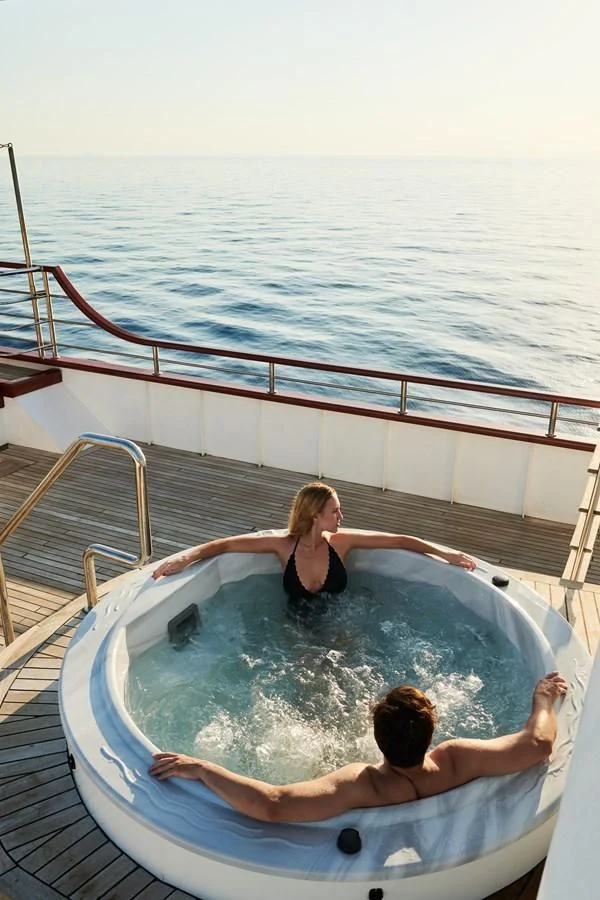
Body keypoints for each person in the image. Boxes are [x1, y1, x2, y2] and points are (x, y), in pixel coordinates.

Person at [149, 672, 567, 823]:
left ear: (376, 738)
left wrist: (203, 767)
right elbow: (538, 743)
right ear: (432, 730)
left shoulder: (362, 783)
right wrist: (542, 701)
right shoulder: (457, 760)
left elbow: (273, 804)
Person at [152, 481, 476, 603]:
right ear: (315, 516)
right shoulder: (282, 546)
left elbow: (401, 540)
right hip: (297, 629)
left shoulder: (341, 543)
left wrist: (444, 553)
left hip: (342, 620)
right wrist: (185, 559)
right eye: (335, 511)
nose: (341, 516)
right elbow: (223, 546)